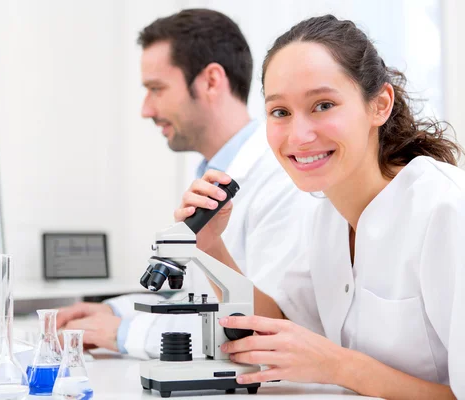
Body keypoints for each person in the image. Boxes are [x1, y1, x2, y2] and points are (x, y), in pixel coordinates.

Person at [177, 14, 464, 399]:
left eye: (323, 105)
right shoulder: (324, 212)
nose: (299, 135)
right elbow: (274, 326)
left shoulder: (444, 211)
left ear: (379, 105)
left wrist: (337, 365)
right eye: (280, 112)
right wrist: (211, 247)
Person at [55, 8, 316, 359]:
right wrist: (116, 311)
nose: (146, 109)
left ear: (210, 81)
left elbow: (264, 322)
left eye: (156, 89)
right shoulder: (213, 172)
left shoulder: (283, 179)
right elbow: (200, 298)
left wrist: (124, 333)